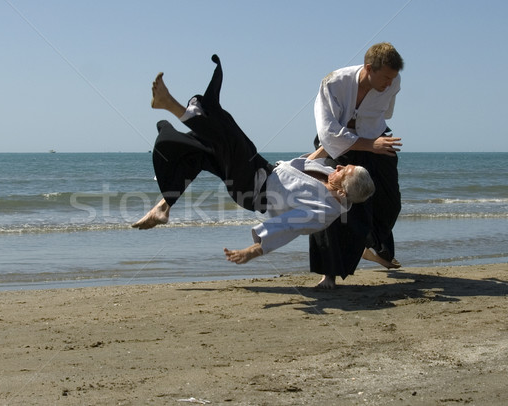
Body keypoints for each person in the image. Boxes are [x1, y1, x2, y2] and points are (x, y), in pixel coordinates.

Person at [132, 55, 375, 268]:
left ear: (343, 190)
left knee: (230, 140)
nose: (340, 166)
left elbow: (288, 226)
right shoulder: (330, 177)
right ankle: (163, 207)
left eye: (345, 171)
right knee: (205, 147)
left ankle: (170, 105)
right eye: (345, 165)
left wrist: (255, 250)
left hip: (251, 189)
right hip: (263, 169)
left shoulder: (324, 212)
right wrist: (333, 143)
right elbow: (307, 163)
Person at [310, 42, 404, 289]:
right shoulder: (333, 83)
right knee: (329, 202)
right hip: (339, 146)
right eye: (385, 77)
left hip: (376, 139)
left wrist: (373, 142)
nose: (389, 83)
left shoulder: (393, 83)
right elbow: (328, 134)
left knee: (391, 203)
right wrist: (367, 143)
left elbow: (386, 114)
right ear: (369, 68)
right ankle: (327, 274)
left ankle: (373, 246)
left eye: (393, 78)